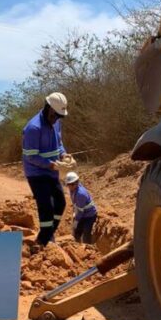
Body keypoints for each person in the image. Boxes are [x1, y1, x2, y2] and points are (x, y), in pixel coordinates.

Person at [22, 92, 70, 246]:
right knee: (46, 207)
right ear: (49, 109)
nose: (57, 119)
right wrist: (52, 164)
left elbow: (59, 143)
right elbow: (31, 157)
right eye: (56, 115)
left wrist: (64, 155)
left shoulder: (56, 123)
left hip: (51, 171)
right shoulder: (33, 128)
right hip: (36, 173)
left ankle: (49, 234)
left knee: (60, 203)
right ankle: (42, 242)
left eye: (59, 116)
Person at [64, 170, 98, 244]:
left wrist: (76, 221)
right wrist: (74, 213)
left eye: (69, 184)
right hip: (82, 212)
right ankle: (77, 244)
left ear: (75, 184)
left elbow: (80, 211)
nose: (68, 186)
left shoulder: (80, 194)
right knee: (77, 232)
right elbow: (75, 204)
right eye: (68, 184)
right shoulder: (73, 189)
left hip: (89, 215)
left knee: (86, 235)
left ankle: (88, 247)